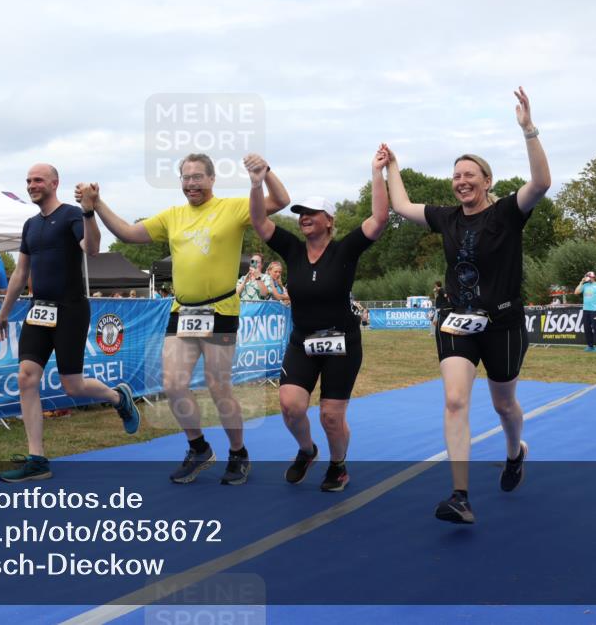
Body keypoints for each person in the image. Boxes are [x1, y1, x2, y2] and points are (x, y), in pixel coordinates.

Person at [386, 87, 551, 524]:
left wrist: (528, 129)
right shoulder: (446, 217)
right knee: (455, 400)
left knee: (503, 405)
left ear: (487, 181)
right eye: (456, 175)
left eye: (470, 174)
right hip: (458, 323)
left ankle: (515, 453)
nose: (461, 180)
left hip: (504, 323)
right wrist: (392, 166)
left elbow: (541, 183)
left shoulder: (507, 214)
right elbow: (401, 205)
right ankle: (460, 496)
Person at [83, 152, 290, 485]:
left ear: (211, 179)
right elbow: (127, 233)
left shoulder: (233, 208)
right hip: (183, 311)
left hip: (220, 310)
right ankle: (198, 448)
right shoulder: (173, 216)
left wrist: (264, 172)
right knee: (174, 384)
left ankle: (238, 453)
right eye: (186, 178)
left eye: (197, 177)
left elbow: (280, 200)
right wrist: (97, 203)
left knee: (219, 386)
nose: (191, 184)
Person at [249, 147, 389, 491]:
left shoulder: (346, 249)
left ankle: (338, 465)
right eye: (300, 214)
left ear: (329, 219)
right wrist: (259, 180)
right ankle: (307, 450)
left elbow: (380, 218)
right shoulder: (293, 250)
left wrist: (376, 172)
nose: (303, 217)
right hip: (302, 342)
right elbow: (259, 221)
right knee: (290, 406)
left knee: (330, 415)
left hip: (342, 344)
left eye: (311, 213)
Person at [0, 163, 139, 482]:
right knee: (26, 377)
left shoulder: (72, 214)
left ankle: (118, 397)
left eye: (38, 180)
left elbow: (93, 249)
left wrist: (89, 212)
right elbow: (20, 273)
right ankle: (37, 459)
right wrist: (2, 315)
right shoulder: (30, 225)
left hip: (70, 309)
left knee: (72, 385)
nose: (32, 185)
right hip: (38, 310)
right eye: (28, 180)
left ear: (54, 183)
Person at [574, 271, 596, 352]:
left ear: (594, 277)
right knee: (587, 328)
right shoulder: (585, 285)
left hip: (595, 310)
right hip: (586, 310)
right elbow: (576, 292)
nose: (588, 278)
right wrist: (581, 282)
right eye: (587, 276)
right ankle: (590, 346)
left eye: (590, 276)